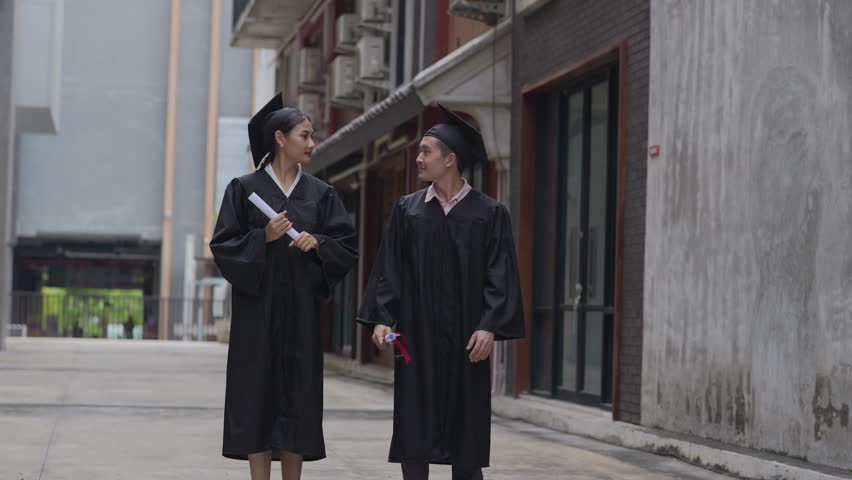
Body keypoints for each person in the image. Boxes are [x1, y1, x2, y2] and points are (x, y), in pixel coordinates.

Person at [357, 105, 525, 480]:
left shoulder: (489, 213)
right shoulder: (408, 210)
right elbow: (389, 269)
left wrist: (489, 325)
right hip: (414, 339)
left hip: (468, 340)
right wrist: (382, 319)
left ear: (450, 160)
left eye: (426, 152)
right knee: (414, 434)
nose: (418, 159)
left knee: (466, 439)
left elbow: (501, 274)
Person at [210, 93, 358, 480]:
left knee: (298, 399)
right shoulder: (243, 190)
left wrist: (319, 244)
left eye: (312, 137)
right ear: (280, 138)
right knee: (256, 398)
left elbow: (346, 246)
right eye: (304, 135)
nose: (311, 143)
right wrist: (264, 238)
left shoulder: (322, 194)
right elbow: (223, 246)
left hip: (301, 316)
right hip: (256, 315)